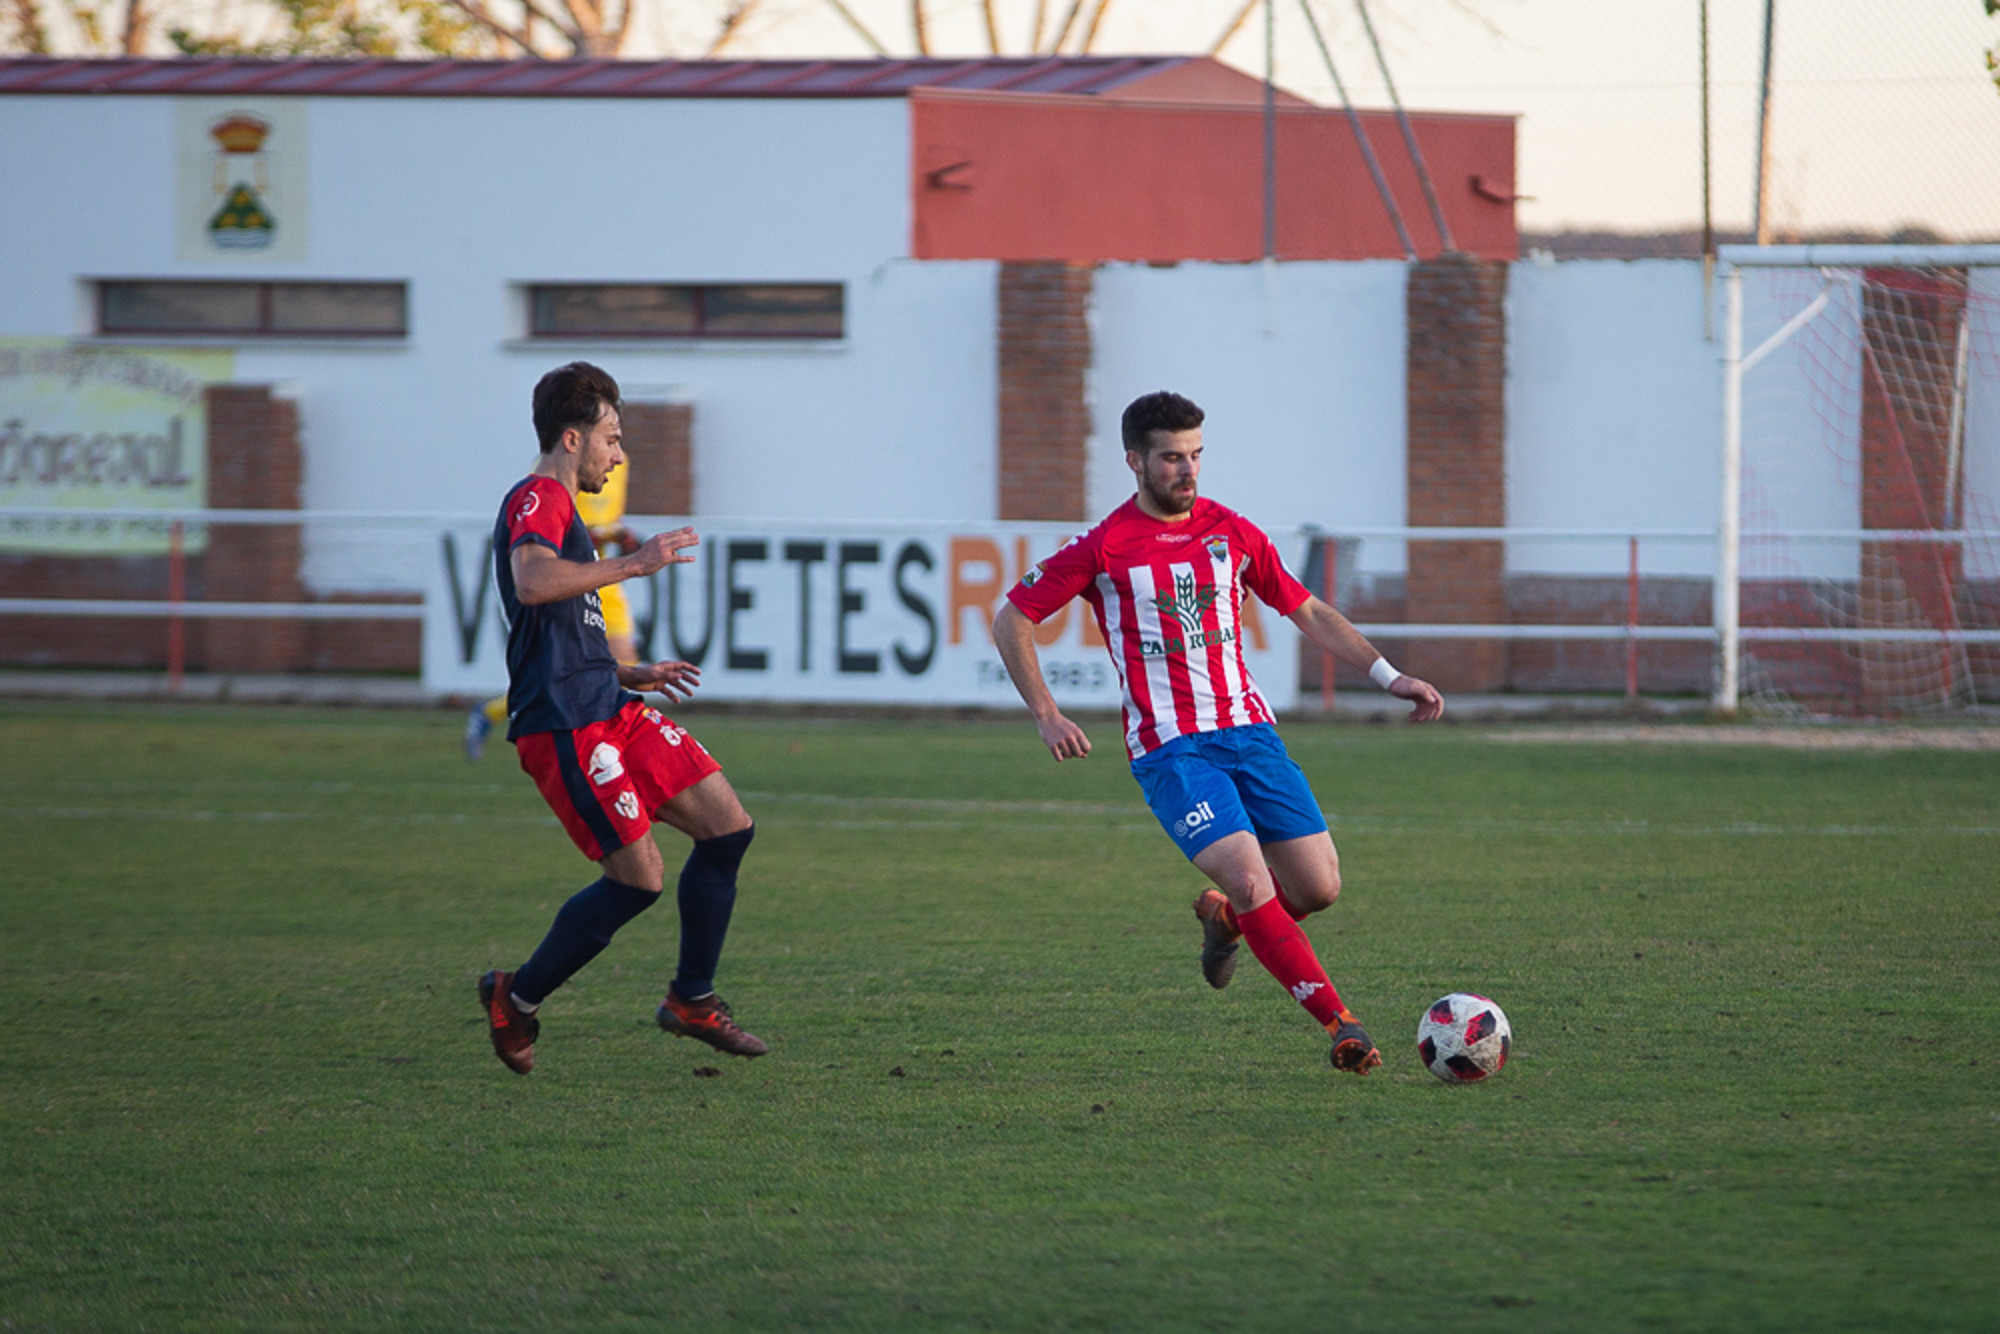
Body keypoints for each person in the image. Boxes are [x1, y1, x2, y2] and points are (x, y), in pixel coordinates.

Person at [992, 390, 1444, 1076]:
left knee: (1319, 889)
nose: (1188, 470)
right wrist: (1046, 712)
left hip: (1251, 735)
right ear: (1135, 462)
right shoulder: (1103, 548)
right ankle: (1340, 1022)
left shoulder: (1232, 531)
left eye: (1197, 455)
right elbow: (1012, 618)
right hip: (1173, 750)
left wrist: (1390, 675)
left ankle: (1226, 921)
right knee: (1250, 877)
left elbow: (1309, 609)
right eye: (1172, 457)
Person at [477, 361, 767, 1074]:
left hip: (608, 701)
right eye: (611, 436)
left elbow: (560, 622)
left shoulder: (564, 507)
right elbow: (533, 581)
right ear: (572, 439)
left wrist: (628, 671)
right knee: (638, 881)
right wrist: (635, 563)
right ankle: (517, 999)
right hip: (566, 724)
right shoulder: (538, 497)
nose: (619, 451)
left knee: (728, 829)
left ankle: (692, 1001)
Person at [464, 451, 642, 759]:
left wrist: (621, 535)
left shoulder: (619, 461)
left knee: (627, 662)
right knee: (564, 672)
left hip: (605, 576)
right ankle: (492, 713)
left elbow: (612, 517)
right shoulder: (559, 463)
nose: (612, 445)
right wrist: (592, 535)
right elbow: (548, 521)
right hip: (571, 578)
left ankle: (612, 743)